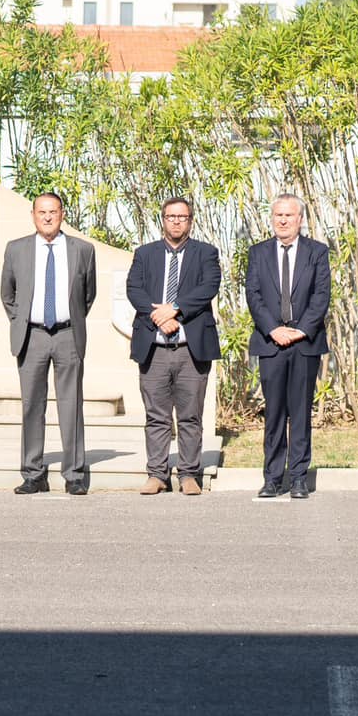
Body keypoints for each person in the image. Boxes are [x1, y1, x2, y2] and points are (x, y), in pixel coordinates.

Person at [1, 192, 99, 494]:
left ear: (62, 214)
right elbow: (8, 293)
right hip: (32, 336)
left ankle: (74, 475)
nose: (47, 217)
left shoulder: (82, 249)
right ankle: (33, 473)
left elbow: (88, 294)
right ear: (33, 215)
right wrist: (22, 320)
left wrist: (69, 318)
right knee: (32, 405)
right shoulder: (17, 249)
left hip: (68, 334)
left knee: (71, 406)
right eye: (41, 212)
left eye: (53, 212)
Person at [124, 197, 222, 495]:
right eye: (171, 216)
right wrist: (159, 315)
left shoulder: (206, 253)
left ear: (190, 220)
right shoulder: (145, 254)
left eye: (182, 217)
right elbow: (134, 288)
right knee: (156, 416)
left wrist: (175, 309)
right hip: (154, 348)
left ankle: (189, 474)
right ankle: (157, 474)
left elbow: (209, 287)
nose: (177, 221)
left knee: (190, 415)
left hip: (191, 349)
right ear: (163, 220)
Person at [245, 193, 331, 500]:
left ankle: (298, 477)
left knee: (300, 411)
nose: (282, 220)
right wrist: (273, 329)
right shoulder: (258, 253)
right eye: (278, 215)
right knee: (274, 413)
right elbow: (253, 295)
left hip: (304, 344)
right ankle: (272, 477)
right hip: (271, 344)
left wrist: (299, 331)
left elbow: (321, 296)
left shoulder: (316, 252)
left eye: (289, 215)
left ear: (300, 219)